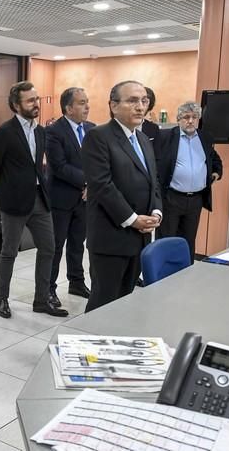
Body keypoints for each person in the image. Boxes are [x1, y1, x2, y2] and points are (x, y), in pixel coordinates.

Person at [0, 81, 68, 319]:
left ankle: (41, 300)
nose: (36, 104)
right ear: (15, 105)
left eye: (37, 99)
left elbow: (37, 166)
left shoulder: (41, 131)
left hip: (40, 200)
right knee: (9, 252)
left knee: (49, 248)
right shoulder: (4, 133)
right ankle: (2, 300)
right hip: (13, 204)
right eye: (30, 100)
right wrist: (3, 193)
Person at [82, 80, 162, 312]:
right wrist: (133, 218)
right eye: (132, 100)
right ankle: (90, 347)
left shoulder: (144, 139)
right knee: (103, 304)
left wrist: (156, 212)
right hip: (111, 237)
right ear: (113, 106)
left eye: (143, 101)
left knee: (124, 302)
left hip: (140, 238)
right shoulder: (98, 137)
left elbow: (154, 181)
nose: (140, 107)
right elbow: (102, 185)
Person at [154, 101, 223, 260]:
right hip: (171, 198)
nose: (190, 121)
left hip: (196, 200)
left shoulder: (205, 137)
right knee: (166, 240)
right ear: (178, 119)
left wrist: (216, 173)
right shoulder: (166, 137)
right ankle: (163, 274)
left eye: (194, 117)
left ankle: (186, 273)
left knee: (188, 240)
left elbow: (214, 158)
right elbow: (153, 161)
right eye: (186, 117)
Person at [45, 87, 94, 302]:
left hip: (84, 199)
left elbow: (98, 162)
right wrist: (87, 180)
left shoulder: (92, 129)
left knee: (77, 244)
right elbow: (59, 165)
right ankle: (48, 288)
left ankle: (76, 283)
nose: (87, 107)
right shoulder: (55, 131)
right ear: (68, 108)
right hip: (61, 199)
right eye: (82, 103)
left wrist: (92, 185)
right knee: (55, 247)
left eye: (87, 101)